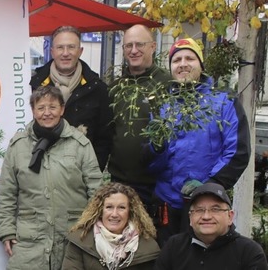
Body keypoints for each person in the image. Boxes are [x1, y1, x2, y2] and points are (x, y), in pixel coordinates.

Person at [148, 38, 250, 246]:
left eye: (189, 58)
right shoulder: (161, 104)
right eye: (176, 60)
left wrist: (210, 185)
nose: (183, 64)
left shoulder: (223, 101)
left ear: (201, 65)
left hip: (206, 206)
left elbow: (237, 151)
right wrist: (156, 150)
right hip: (167, 204)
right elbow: (151, 162)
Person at [0, 86, 103, 269]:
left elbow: (96, 192)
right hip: (30, 242)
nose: (47, 113)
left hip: (73, 239)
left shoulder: (80, 145)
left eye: (52, 107)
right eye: (41, 107)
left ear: (62, 109)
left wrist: (94, 231)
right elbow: (7, 193)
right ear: (33, 111)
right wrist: (6, 231)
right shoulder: (18, 147)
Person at [108, 25, 172, 216]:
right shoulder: (114, 88)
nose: (134, 50)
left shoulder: (167, 85)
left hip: (155, 185)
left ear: (153, 46)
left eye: (139, 44)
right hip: (118, 181)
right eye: (129, 45)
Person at [30, 26, 113, 171]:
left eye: (71, 47)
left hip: (80, 173)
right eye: (60, 47)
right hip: (41, 172)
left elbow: (104, 139)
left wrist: (92, 171)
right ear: (52, 51)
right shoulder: (34, 85)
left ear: (80, 51)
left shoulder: (97, 88)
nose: (65, 53)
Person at [154, 183, 267, 269]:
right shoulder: (174, 246)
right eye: (199, 210)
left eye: (215, 209)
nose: (206, 216)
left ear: (230, 216)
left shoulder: (249, 252)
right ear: (190, 218)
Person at [63, 182, 159, 270]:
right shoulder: (80, 240)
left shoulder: (148, 247)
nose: (114, 214)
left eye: (121, 208)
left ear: (130, 212)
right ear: (100, 211)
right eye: (109, 207)